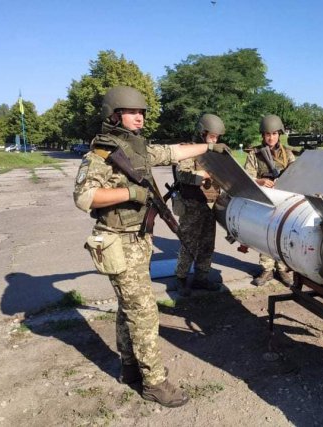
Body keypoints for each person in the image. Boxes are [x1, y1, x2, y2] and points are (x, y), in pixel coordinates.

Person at [73, 86, 228, 408]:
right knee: (143, 313)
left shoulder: (136, 149)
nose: (139, 117)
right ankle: (154, 383)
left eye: (142, 112)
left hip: (137, 241)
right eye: (132, 112)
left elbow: (173, 153)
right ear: (115, 116)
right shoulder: (101, 154)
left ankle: (130, 367)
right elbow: (85, 197)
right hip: (118, 241)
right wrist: (131, 195)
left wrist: (211, 147)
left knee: (128, 309)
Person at [174, 114, 225, 297]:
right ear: (202, 133)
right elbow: (182, 175)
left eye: (217, 137)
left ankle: (201, 278)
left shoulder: (215, 152)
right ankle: (180, 277)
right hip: (192, 204)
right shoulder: (189, 150)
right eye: (212, 136)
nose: (215, 139)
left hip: (210, 204)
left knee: (206, 244)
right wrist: (202, 175)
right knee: (188, 244)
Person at [244, 114, 296, 287]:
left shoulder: (288, 154)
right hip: (264, 199)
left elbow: (297, 174)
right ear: (263, 135)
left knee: (283, 233)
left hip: (284, 199)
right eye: (267, 134)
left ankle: (283, 269)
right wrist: (260, 181)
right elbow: (246, 177)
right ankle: (266, 269)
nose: (271, 137)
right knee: (265, 234)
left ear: (279, 134)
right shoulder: (255, 154)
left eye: (274, 133)